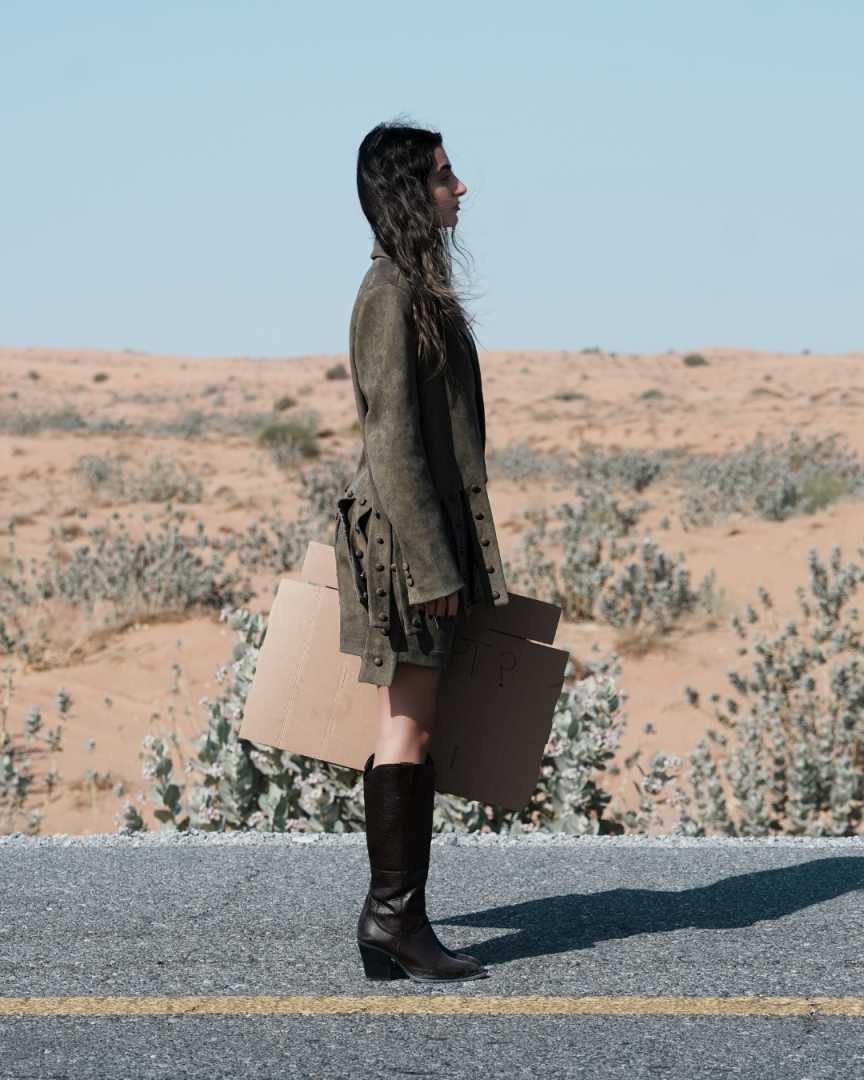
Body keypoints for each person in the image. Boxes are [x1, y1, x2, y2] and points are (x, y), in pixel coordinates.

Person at [335, 120, 510, 983]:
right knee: (409, 723)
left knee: (408, 721)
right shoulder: (390, 294)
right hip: (409, 546)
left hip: (421, 538)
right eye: (445, 176)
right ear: (411, 191)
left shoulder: (412, 288)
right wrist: (436, 567)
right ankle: (393, 918)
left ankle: (392, 921)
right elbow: (392, 444)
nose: (460, 188)